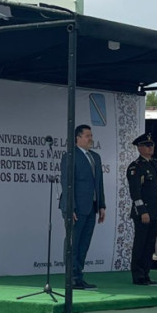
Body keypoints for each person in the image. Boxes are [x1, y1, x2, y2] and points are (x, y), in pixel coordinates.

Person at [59, 124, 105, 290]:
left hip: (91, 207)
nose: (90, 138)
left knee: (84, 243)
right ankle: (70, 277)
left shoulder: (95, 157)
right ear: (77, 138)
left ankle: (79, 276)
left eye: (91, 135)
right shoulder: (70, 156)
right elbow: (66, 182)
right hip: (76, 208)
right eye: (87, 135)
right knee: (74, 242)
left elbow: (98, 183)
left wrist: (102, 205)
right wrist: (71, 207)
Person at [126, 133, 157, 286]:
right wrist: (142, 210)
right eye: (147, 145)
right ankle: (138, 276)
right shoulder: (136, 167)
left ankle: (146, 274)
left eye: (152, 145)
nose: (151, 148)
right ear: (140, 148)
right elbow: (135, 191)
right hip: (143, 213)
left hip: (156, 212)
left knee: (150, 244)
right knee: (141, 243)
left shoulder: (156, 165)